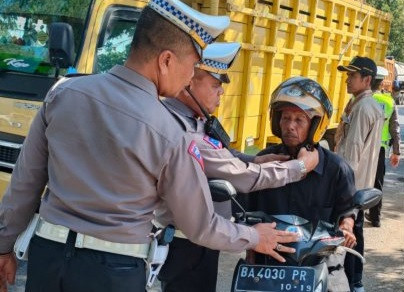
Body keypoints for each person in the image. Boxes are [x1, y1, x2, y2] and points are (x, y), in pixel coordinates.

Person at [0, 1, 299, 291]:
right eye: (192, 65)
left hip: (46, 260)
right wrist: (252, 236)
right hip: (114, 272)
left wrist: (3, 247)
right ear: (166, 60)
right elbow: (200, 226)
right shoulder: (170, 132)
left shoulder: (64, 93)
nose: (191, 76)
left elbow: (24, 183)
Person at [155, 43, 320, 292]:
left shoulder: (194, 121)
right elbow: (244, 178)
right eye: (215, 85)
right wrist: (299, 166)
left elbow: (223, 155)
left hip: (198, 239)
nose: (221, 92)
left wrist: (254, 159)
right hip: (187, 244)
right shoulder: (184, 129)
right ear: (190, 82)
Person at [245, 76, 357, 291]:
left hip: (320, 261)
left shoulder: (336, 168)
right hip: (269, 261)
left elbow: (348, 208)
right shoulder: (264, 161)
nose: (290, 126)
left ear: (316, 125)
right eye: (285, 118)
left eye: (299, 120)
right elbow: (247, 208)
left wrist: (346, 226)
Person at [334, 56, 384, 292]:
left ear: (367, 79)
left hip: (351, 184)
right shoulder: (367, 104)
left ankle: (353, 281)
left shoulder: (363, 108)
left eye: (352, 76)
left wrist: (339, 184)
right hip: (360, 183)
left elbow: (352, 151)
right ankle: (356, 281)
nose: (347, 80)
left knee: (349, 234)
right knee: (356, 232)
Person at [364, 66, 401, 227]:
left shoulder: (361, 99)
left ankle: (352, 216)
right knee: (377, 183)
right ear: (381, 83)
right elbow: (395, 128)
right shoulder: (389, 101)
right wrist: (396, 152)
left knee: (358, 181)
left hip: (362, 149)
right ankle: (376, 217)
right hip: (379, 150)